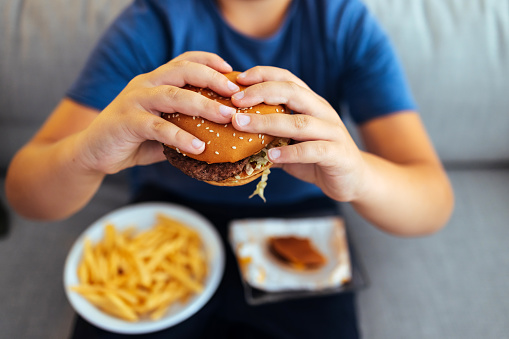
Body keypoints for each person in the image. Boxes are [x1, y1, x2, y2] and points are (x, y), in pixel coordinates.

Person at [5, 0, 454, 338]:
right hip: (166, 222)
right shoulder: (151, 24)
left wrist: (360, 176)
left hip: (300, 227)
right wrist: (87, 153)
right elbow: (24, 192)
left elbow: (433, 202)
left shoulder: (343, 25)